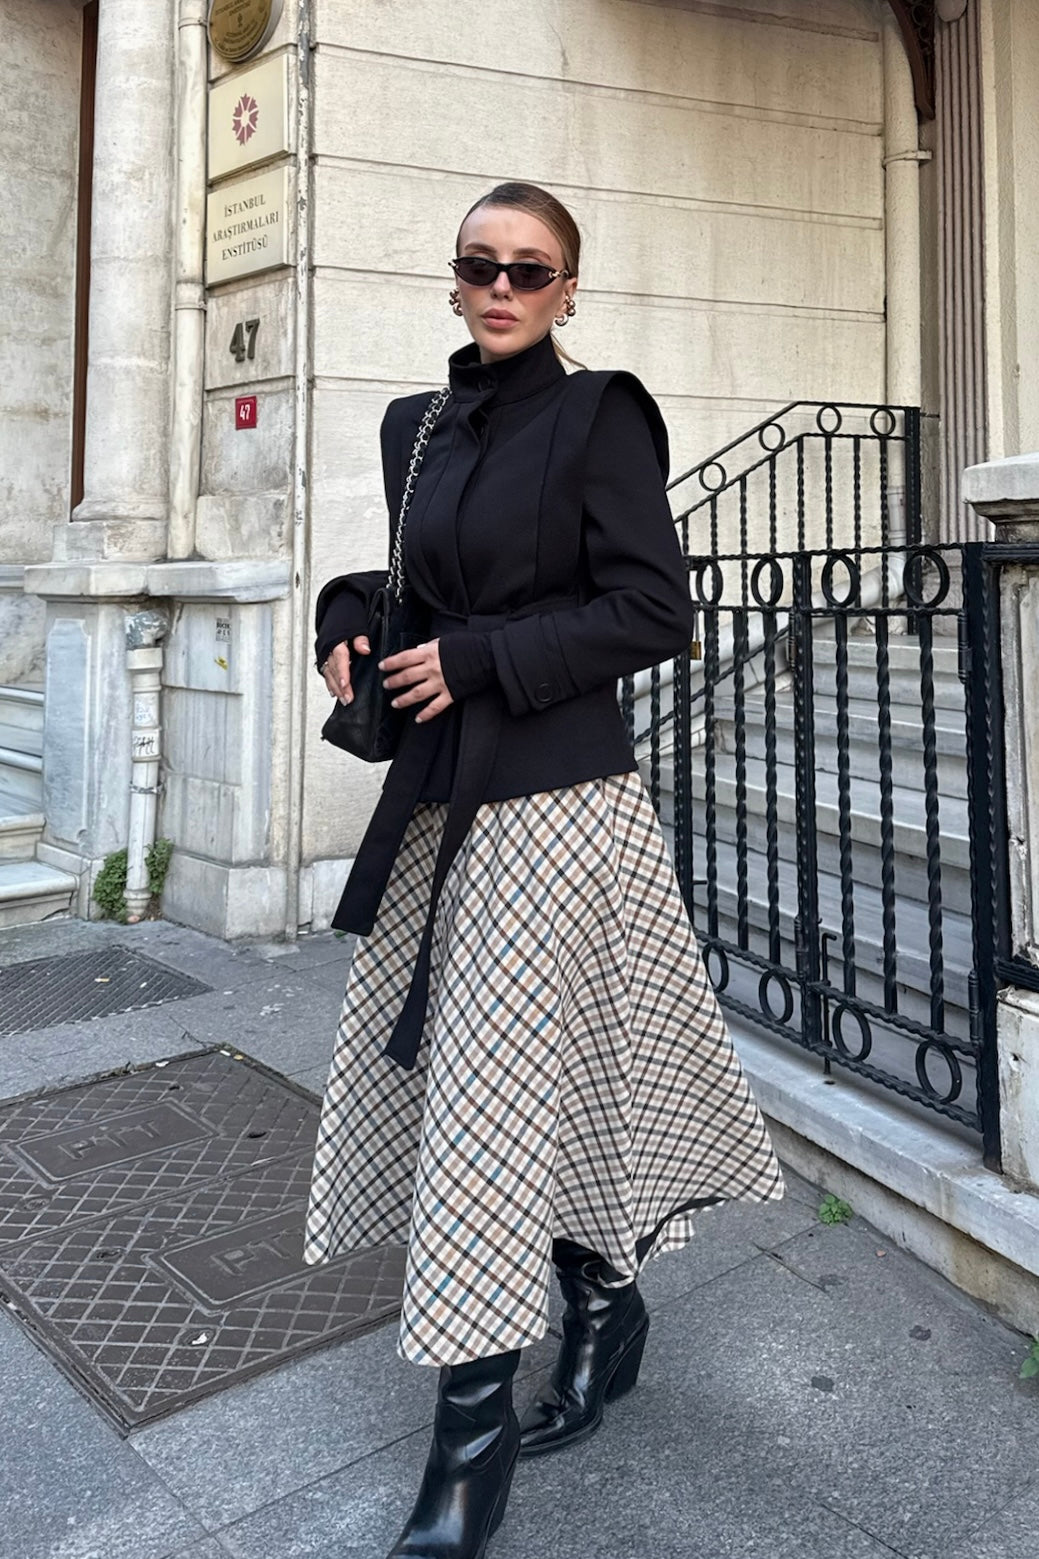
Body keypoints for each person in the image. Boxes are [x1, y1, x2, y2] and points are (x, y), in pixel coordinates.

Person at [304, 181, 783, 1559]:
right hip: (442, 808)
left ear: (571, 289)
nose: (503, 288)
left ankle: (471, 1449)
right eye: (482, 265)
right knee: (518, 1095)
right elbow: (422, 584)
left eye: (532, 269)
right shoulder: (418, 425)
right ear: (453, 280)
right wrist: (349, 614)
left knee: (488, 1110)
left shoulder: (600, 415)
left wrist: (479, 661)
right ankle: (605, 1307)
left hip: (559, 807)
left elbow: (654, 611)